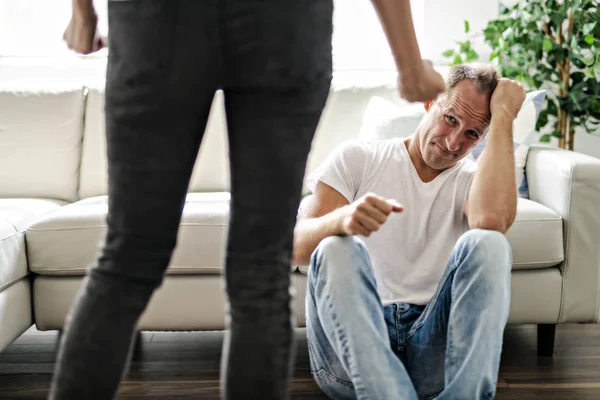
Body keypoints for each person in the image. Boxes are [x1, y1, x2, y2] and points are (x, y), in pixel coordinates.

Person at [50, 0, 445, 399]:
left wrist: (83, 13)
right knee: (261, 269)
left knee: (129, 257)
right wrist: (409, 63)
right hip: (283, 23)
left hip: (161, 19)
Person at [293, 64, 526, 399]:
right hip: (351, 360)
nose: (453, 142)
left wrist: (503, 114)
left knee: (490, 244)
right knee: (335, 248)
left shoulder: (474, 182)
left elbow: (490, 222)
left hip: (431, 356)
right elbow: (294, 250)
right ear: (431, 103)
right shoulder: (359, 157)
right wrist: (341, 221)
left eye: (473, 134)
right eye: (451, 119)